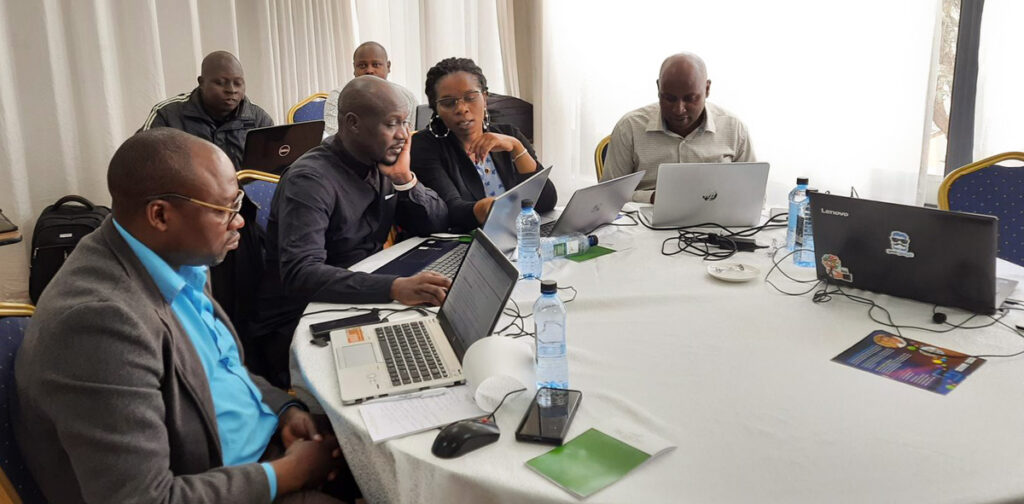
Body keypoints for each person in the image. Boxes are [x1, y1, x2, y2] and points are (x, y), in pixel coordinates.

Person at [14, 128, 346, 503]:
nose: (239, 221)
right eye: (226, 209)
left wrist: (282, 409)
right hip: (220, 480)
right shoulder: (99, 324)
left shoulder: (175, 257)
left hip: (260, 450)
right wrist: (286, 475)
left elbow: (221, 371)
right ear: (160, 215)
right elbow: (143, 499)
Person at [255, 76, 450, 387]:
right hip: (300, 321)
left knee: (440, 346)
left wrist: (404, 179)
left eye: (405, 123)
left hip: (359, 295)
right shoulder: (310, 180)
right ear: (352, 123)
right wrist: (394, 288)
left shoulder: (382, 162)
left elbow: (438, 223)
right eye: (392, 124)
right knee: (404, 376)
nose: (403, 135)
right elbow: (301, 274)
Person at [411, 57, 556, 232]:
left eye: (470, 97)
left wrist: (517, 147)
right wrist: (488, 209)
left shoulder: (509, 135)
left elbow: (547, 200)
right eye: (448, 103)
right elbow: (451, 211)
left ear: (484, 98)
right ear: (436, 109)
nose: (461, 108)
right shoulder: (425, 146)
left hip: (520, 237)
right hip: (467, 243)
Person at [602, 52, 755, 203]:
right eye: (669, 98)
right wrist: (652, 198)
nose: (679, 109)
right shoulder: (629, 128)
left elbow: (754, 196)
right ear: (658, 87)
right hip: (643, 224)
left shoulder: (734, 129)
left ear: (707, 89)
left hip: (715, 224)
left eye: (690, 99)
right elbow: (606, 196)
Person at [140, 50, 273, 170]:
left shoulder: (259, 119)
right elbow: (140, 162)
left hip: (243, 196)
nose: (231, 90)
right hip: (187, 195)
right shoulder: (167, 115)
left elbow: (273, 172)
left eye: (238, 83)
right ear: (202, 82)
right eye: (220, 82)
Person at [324, 41, 419, 136]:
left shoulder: (406, 97)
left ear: (388, 66)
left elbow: (414, 135)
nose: (369, 70)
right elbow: (334, 137)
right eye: (362, 65)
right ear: (354, 68)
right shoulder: (337, 96)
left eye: (376, 65)